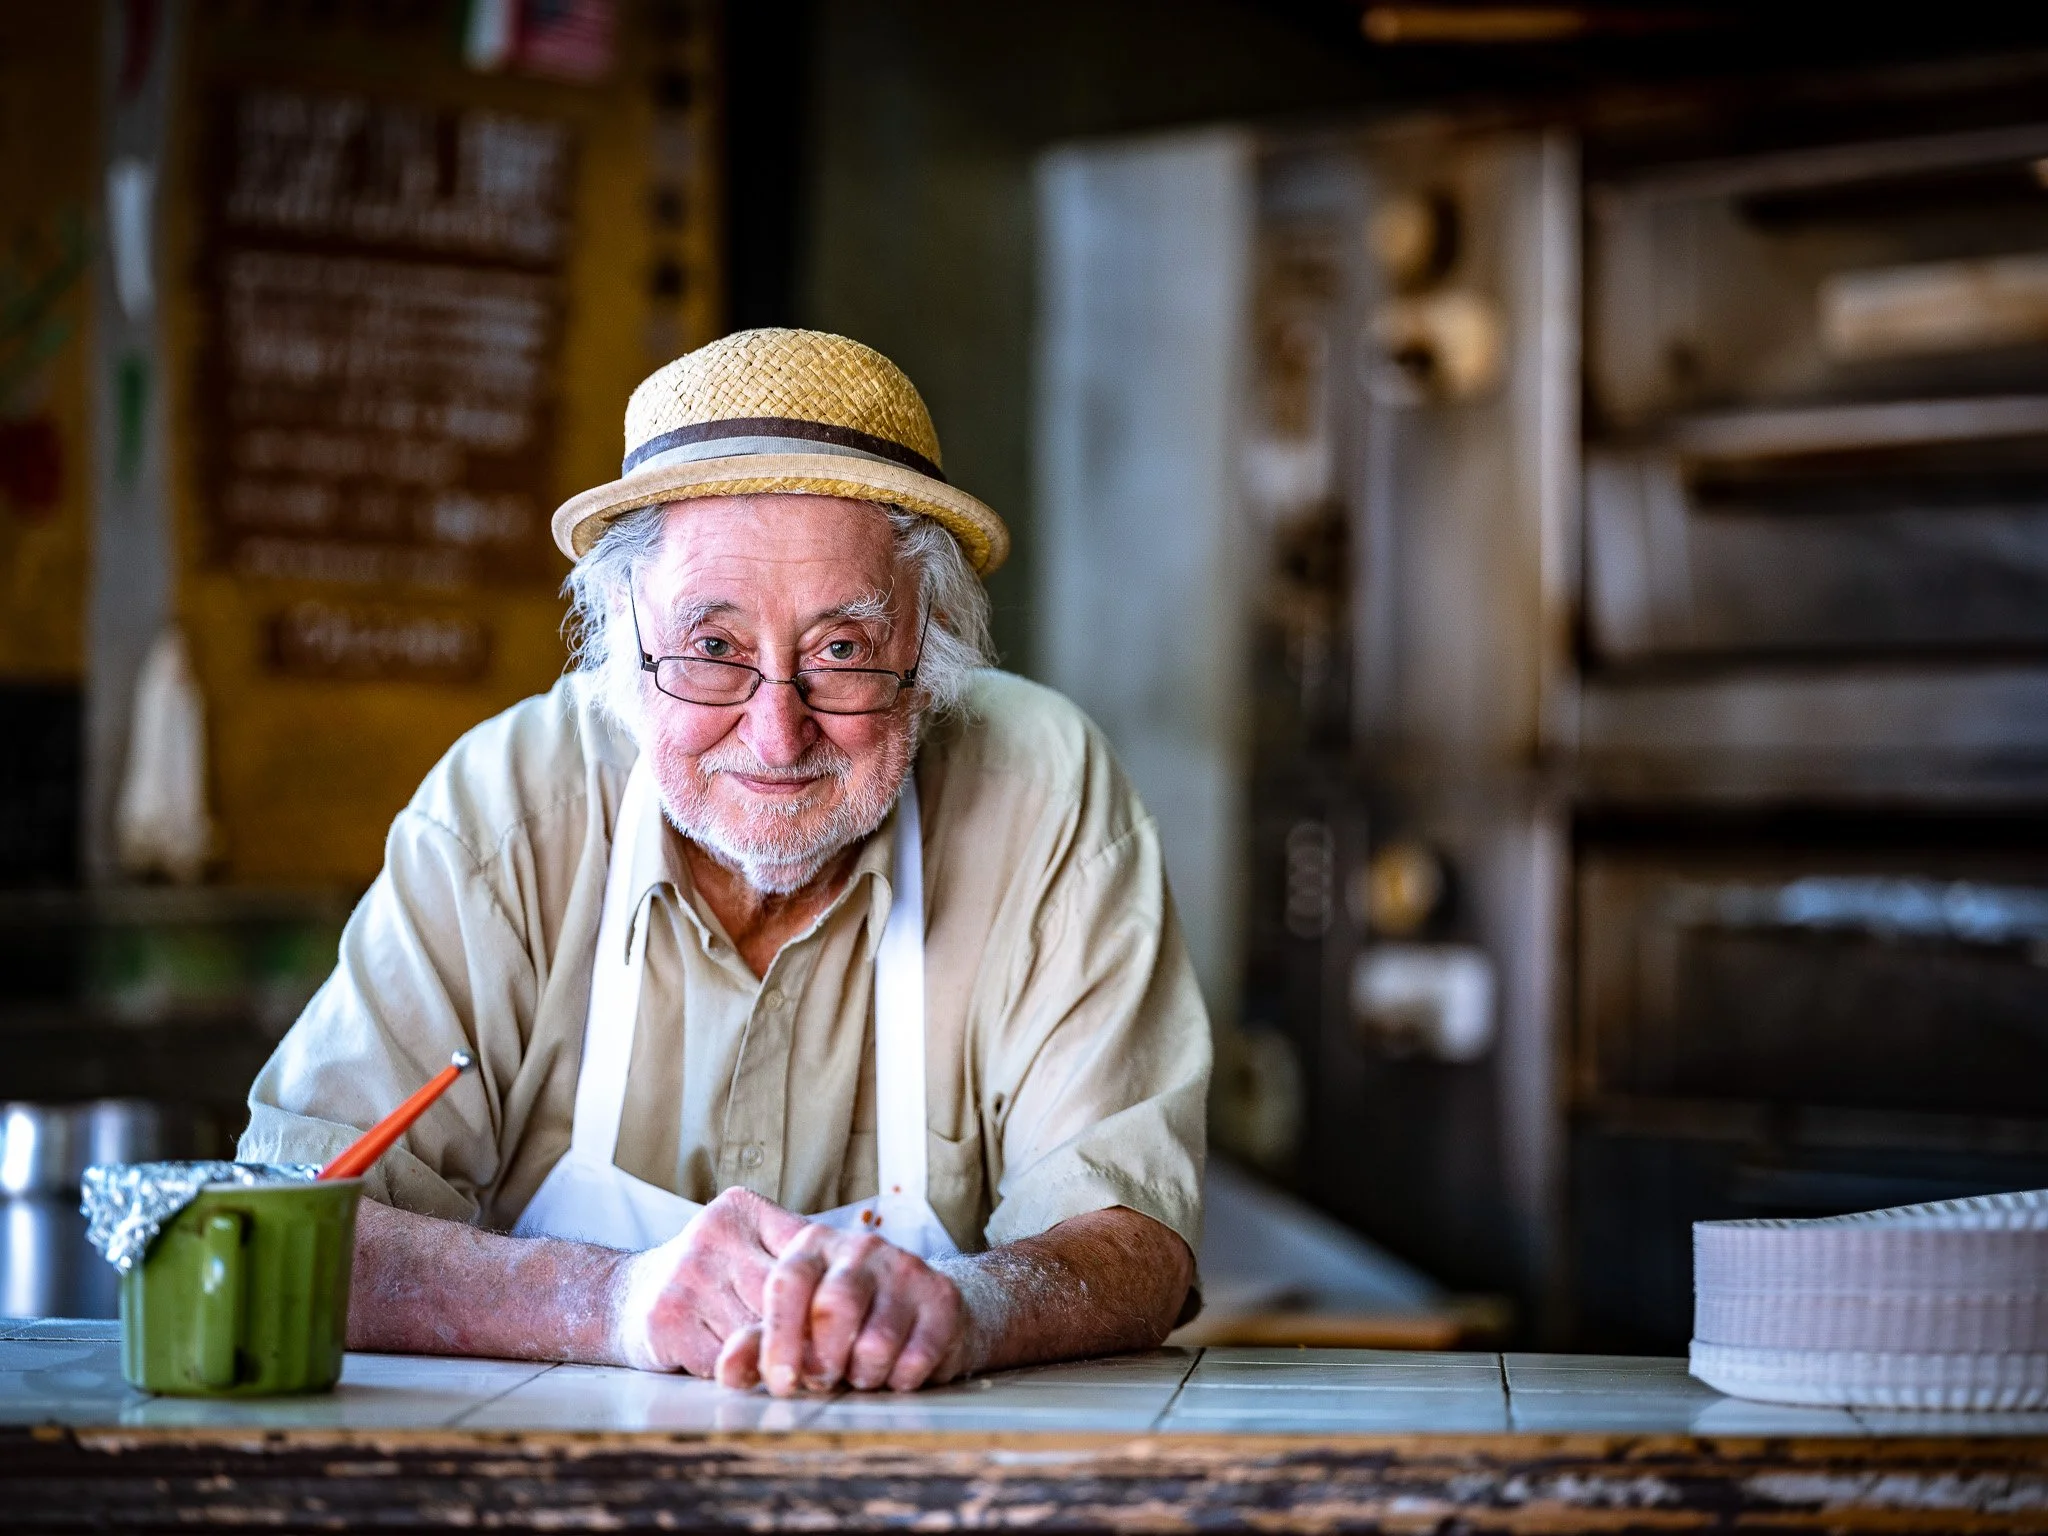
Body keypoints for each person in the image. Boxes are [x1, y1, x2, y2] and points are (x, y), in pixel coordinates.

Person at [241, 328, 1210, 1396]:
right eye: (712, 650)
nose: (774, 735)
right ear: (622, 634)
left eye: (840, 651)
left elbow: (1134, 1242)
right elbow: (289, 1231)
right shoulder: (506, 812)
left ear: (926, 656)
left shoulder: (1040, 792)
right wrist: (610, 1303)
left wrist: (969, 1307)